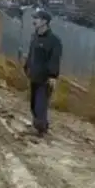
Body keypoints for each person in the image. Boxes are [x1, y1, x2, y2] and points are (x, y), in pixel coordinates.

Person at [24, 9, 63, 137]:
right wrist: (27, 67)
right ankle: (42, 126)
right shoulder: (34, 37)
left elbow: (55, 59)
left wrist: (53, 75)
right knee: (34, 103)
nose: (34, 21)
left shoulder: (54, 41)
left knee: (40, 104)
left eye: (37, 18)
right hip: (34, 76)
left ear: (45, 22)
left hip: (45, 79)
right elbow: (31, 54)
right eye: (34, 18)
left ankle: (39, 129)